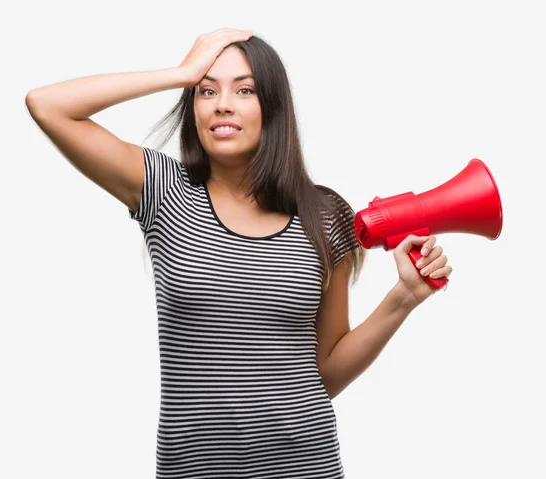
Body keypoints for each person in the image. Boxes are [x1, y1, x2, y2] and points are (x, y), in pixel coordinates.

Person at [26, 28, 452, 479]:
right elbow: (48, 106)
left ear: (273, 106)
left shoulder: (325, 216)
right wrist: (179, 73)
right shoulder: (162, 190)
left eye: (244, 90)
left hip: (306, 467)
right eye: (206, 91)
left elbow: (325, 375)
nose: (221, 104)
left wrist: (402, 297)